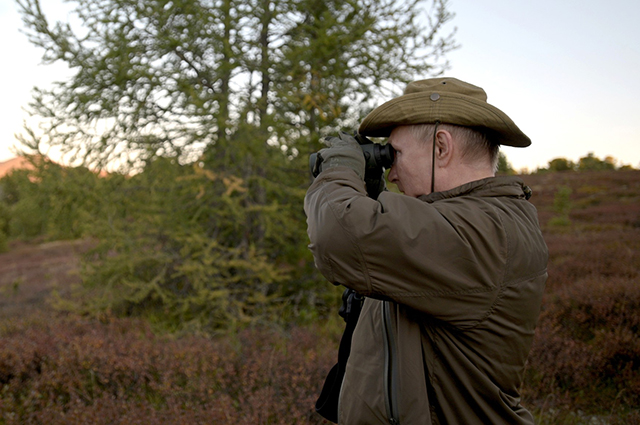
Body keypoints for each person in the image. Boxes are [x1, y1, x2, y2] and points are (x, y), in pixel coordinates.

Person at [304, 77, 548, 424]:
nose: (392, 175)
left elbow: (339, 235)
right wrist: (370, 196)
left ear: (441, 147)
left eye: (395, 155)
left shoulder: (486, 231)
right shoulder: (467, 221)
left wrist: (339, 171)